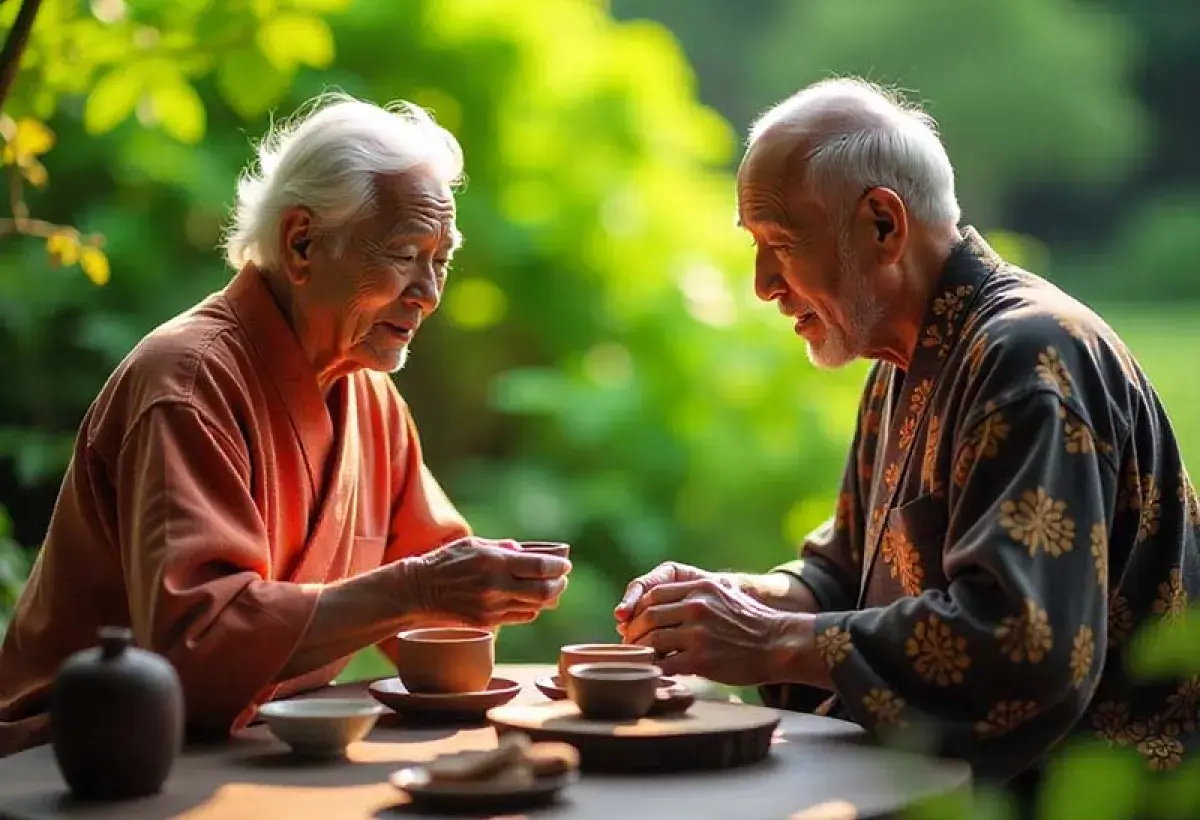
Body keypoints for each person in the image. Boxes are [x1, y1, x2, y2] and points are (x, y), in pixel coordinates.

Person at [615, 78, 1200, 791]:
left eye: (781, 243)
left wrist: (770, 641)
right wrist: (730, 602)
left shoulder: (1029, 357)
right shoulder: (902, 361)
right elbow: (843, 575)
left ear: (883, 225)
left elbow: (1023, 643)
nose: (763, 283)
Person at [0, 93, 570, 757]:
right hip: (82, 752)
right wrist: (418, 589)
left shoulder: (369, 396)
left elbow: (438, 617)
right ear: (303, 243)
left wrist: (492, 587)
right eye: (405, 254)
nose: (429, 294)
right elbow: (195, 652)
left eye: (440, 261)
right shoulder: (188, 382)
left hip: (245, 744)